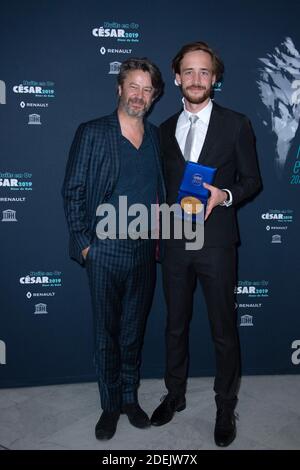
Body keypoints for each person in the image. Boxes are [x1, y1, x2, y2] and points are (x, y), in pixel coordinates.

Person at [150, 41, 262, 447]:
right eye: (189, 72)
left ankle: (224, 405)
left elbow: (252, 180)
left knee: (223, 330)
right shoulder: (162, 131)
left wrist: (224, 196)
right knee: (175, 326)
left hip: (216, 244)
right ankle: (175, 395)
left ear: (215, 79)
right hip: (176, 243)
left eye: (205, 72)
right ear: (178, 78)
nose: (197, 79)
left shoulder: (237, 123)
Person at [62, 58, 165, 440]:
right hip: (104, 251)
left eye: (147, 89)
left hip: (143, 253)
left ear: (154, 97)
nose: (139, 95)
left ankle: (128, 398)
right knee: (106, 333)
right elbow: (72, 191)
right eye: (133, 87)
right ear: (119, 89)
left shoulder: (156, 138)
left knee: (132, 332)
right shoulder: (92, 132)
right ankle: (109, 407)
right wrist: (87, 245)